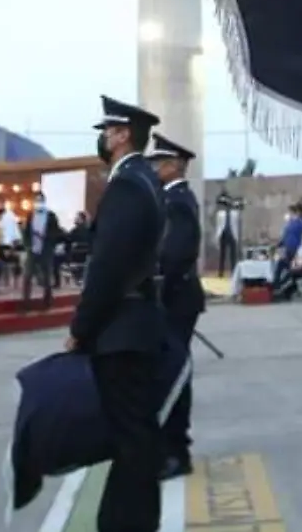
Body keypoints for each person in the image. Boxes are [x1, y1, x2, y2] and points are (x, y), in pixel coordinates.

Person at [67, 96, 168, 532]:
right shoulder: (145, 180)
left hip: (121, 332)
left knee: (131, 443)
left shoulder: (127, 185)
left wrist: (80, 328)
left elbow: (107, 267)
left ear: (123, 133)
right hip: (138, 325)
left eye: (106, 131)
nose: (102, 138)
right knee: (138, 440)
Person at [149, 132, 205, 479]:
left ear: (173, 166)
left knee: (173, 375)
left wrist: (154, 285)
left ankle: (176, 451)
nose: (153, 168)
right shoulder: (172, 199)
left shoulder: (178, 202)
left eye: (158, 163)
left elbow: (176, 254)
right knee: (168, 373)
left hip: (175, 298)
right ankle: (169, 446)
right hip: (174, 297)